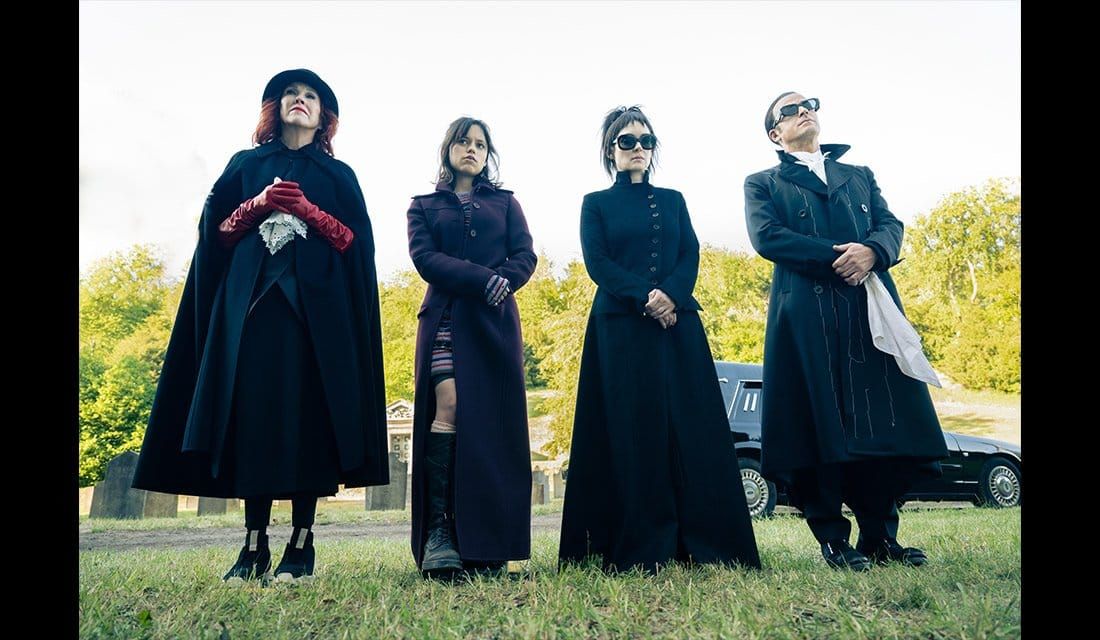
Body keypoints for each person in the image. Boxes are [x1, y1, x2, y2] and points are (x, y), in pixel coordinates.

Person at [132, 69, 389, 584]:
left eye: (311, 96)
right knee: (254, 422)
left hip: (317, 321)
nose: (300, 100)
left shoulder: (340, 177)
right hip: (251, 313)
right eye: (292, 93)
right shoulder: (246, 164)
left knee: (309, 421)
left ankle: (302, 541)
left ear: (324, 116)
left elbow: (354, 245)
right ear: (276, 107)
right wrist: (257, 205)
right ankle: (253, 545)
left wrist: (310, 211)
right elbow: (216, 234)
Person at [744, 91, 948, 570]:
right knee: (818, 424)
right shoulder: (763, 182)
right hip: (806, 318)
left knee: (882, 421)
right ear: (776, 134)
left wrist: (873, 252)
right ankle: (833, 539)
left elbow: (890, 223)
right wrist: (841, 258)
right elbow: (767, 236)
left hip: (869, 312)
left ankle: (881, 536)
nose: (803, 111)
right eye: (789, 110)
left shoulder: (860, 176)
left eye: (808, 103)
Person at [558, 105, 761, 574]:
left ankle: (703, 541)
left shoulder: (673, 199)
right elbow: (598, 262)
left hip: (677, 326)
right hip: (621, 330)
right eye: (627, 141)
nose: (638, 149)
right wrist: (645, 297)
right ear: (611, 149)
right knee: (632, 430)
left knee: (691, 429)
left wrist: (670, 295)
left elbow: (689, 252)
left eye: (646, 141)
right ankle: (638, 541)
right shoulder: (595, 203)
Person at [406, 117, 537, 579]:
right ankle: (441, 534)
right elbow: (425, 259)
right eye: (464, 141)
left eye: (480, 144)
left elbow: (525, 254)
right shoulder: (422, 205)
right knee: (452, 405)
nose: (472, 149)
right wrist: (485, 279)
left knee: (489, 423)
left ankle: (485, 541)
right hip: (444, 317)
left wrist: (505, 281)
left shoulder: (505, 203)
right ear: (449, 149)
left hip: (494, 323)